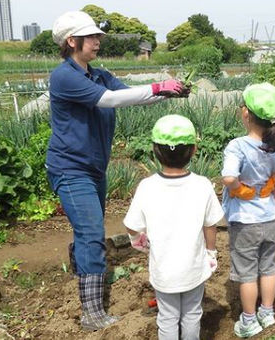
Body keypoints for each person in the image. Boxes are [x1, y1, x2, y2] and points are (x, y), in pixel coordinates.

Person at [45, 11, 189, 331]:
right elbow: (109, 100)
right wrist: (157, 85)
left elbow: (130, 97)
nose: (98, 42)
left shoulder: (98, 75)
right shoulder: (64, 76)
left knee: (87, 230)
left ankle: (80, 273)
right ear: (72, 41)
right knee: (92, 232)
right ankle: (92, 314)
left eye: (98, 36)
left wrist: (167, 91)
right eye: (92, 37)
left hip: (94, 167)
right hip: (70, 168)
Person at [123, 115, 223, 340]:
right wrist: (211, 252)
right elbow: (210, 224)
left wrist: (140, 242)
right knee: (192, 314)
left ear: (155, 150)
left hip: (164, 270)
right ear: (194, 150)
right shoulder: (202, 185)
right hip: (194, 268)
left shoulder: (147, 187)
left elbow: (131, 225)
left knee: (167, 317)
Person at [221, 83, 275, 338]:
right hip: (270, 217)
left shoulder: (238, 145)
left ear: (246, 114)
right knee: (269, 268)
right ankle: (267, 313)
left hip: (244, 221)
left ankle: (249, 320)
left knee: (247, 273)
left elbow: (228, 177)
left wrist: (239, 189)